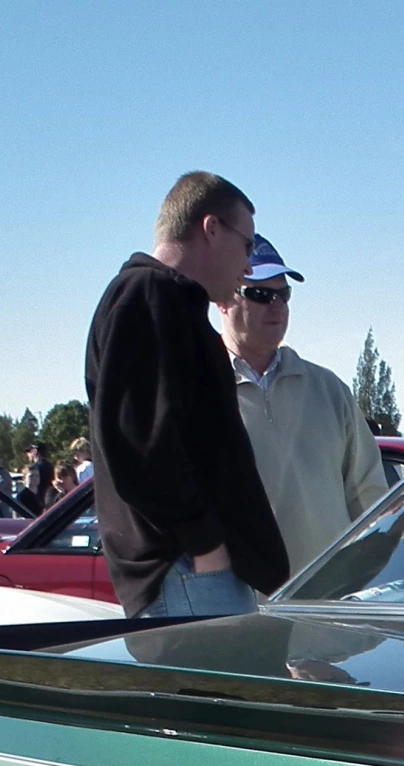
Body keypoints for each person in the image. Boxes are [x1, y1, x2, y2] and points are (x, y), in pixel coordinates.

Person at [85, 170, 287, 617]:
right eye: (248, 245)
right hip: (186, 571)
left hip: (193, 569)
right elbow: (139, 443)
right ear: (211, 229)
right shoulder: (147, 296)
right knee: (224, 690)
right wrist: (205, 545)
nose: (249, 265)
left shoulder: (165, 302)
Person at [214, 234, 384, 566]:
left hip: (327, 599)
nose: (276, 306)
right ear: (223, 300)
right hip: (238, 606)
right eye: (261, 294)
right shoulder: (195, 389)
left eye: (283, 294)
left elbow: (369, 496)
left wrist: (373, 566)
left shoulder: (329, 390)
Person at [18, 441, 53, 514]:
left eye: (29, 452)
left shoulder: (35, 468)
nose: (28, 455)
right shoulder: (51, 466)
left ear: (35, 451)